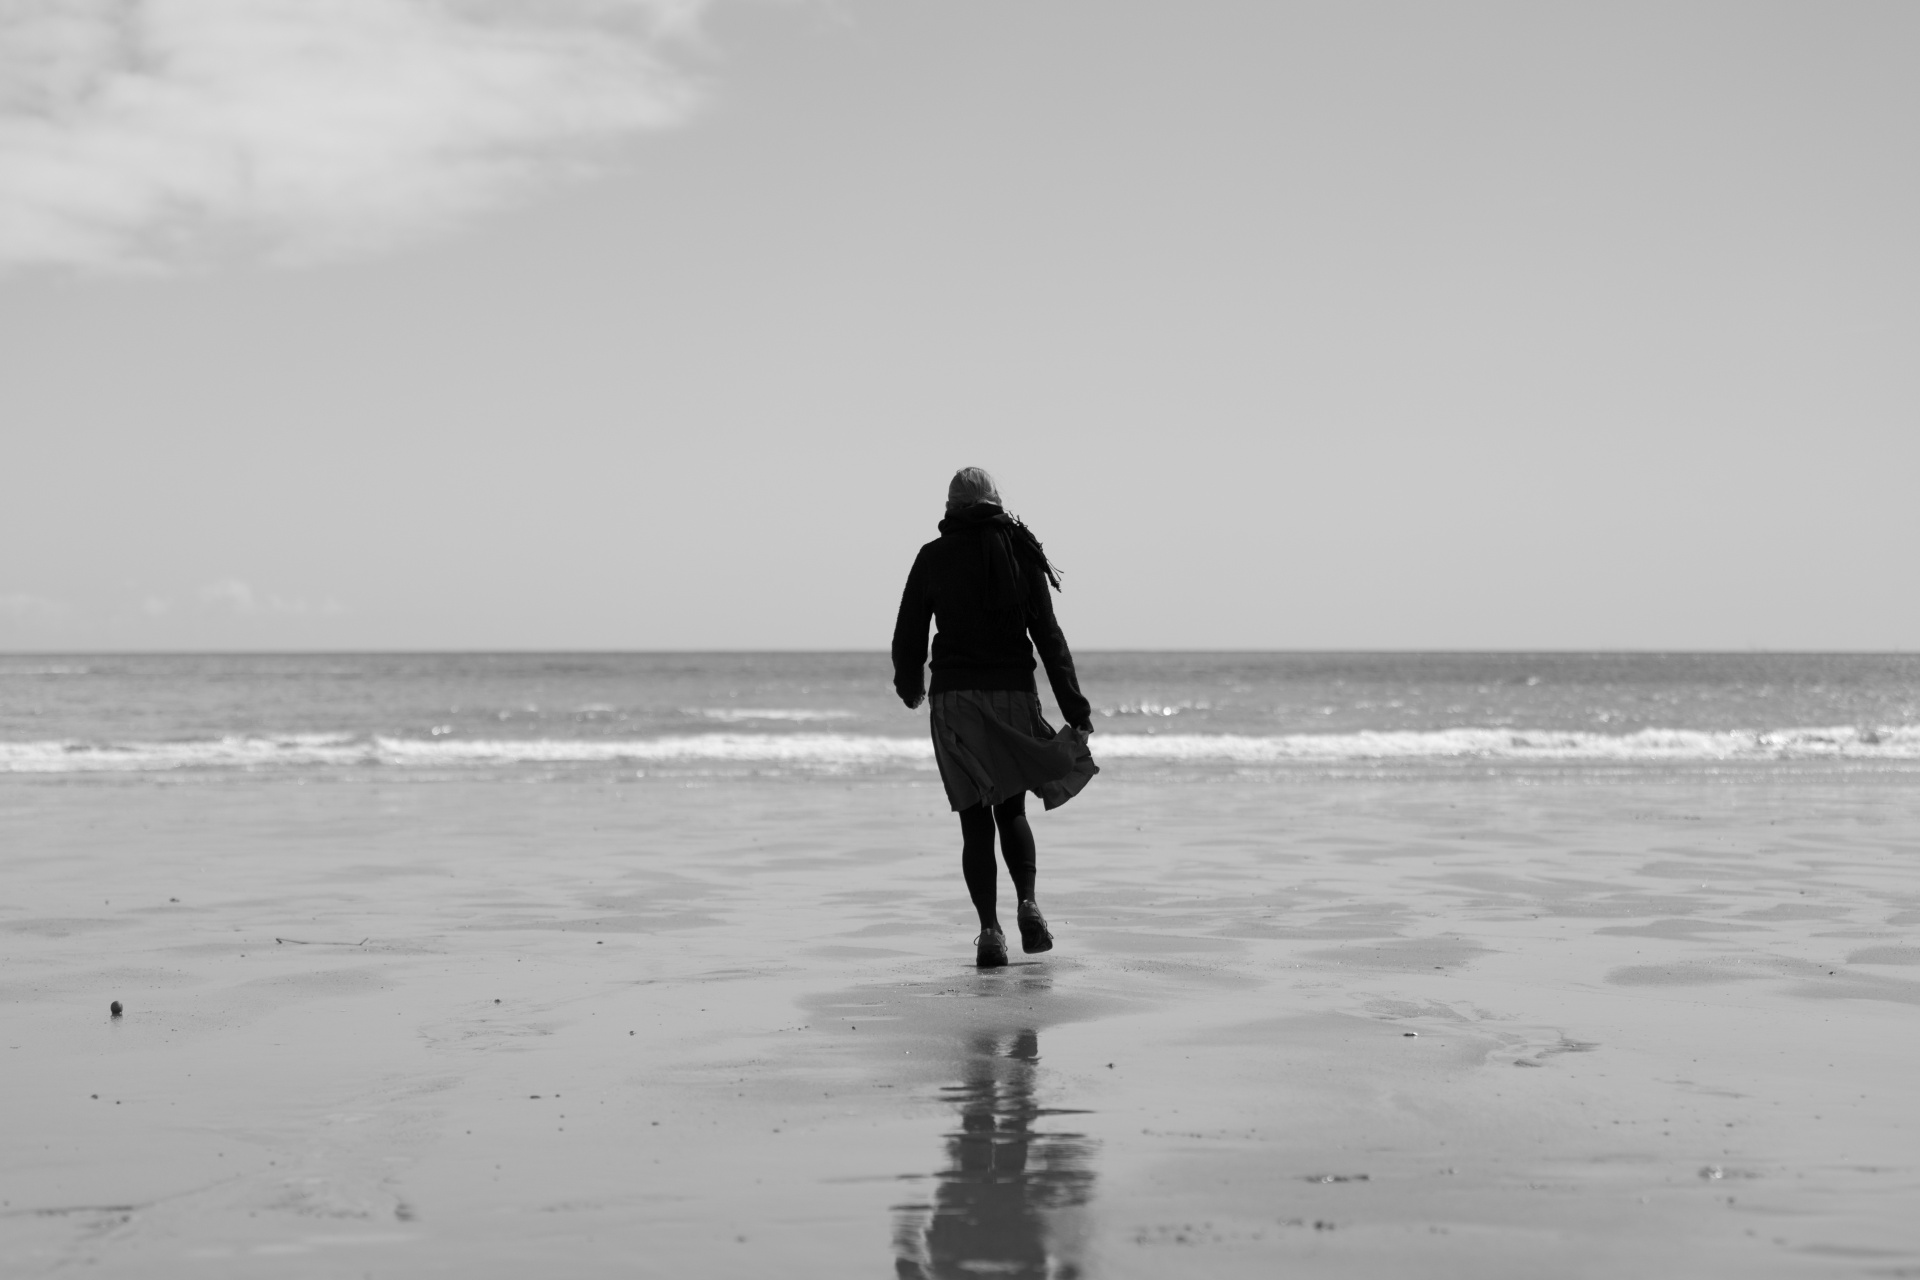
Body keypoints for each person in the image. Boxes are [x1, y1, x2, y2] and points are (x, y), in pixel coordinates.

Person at [892, 467, 1098, 968]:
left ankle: (989, 932)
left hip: (956, 702)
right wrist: (1075, 707)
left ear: (950, 507)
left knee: (973, 821)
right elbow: (1049, 636)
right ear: (995, 502)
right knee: (1011, 811)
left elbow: (909, 633)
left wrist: (910, 685)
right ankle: (1028, 903)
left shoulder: (933, 556)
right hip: (1011, 695)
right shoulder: (1020, 552)